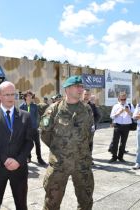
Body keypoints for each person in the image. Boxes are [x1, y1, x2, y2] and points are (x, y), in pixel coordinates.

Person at [40, 75, 94, 210]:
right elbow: (45, 134)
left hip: (82, 164)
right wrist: (59, 150)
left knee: (86, 202)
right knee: (51, 203)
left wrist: (80, 149)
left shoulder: (87, 109)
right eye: (77, 86)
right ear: (67, 89)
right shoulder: (54, 109)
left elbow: (90, 134)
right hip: (59, 165)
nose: (81, 89)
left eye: (81, 86)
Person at [0, 81, 33, 210]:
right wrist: (4, 159)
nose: (10, 98)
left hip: (19, 169)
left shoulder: (25, 116)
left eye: (13, 94)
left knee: (21, 205)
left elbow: (29, 142)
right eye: (7, 94)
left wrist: (19, 161)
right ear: (0, 96)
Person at [20, 91, 46, 165]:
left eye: (31, 96)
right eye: (28, 96)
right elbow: (20, 117)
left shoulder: (34, 106)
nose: (30, 97)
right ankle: (28, 157)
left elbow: (37, 116)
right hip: (26, 129)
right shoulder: (22, 106)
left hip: (34, 128)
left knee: (37, 143)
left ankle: (39, 158)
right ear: (25, 97)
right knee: (28, 143)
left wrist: (37, 125)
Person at [109, 92, 134, 163]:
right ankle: (114, 157)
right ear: (119, 98)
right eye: (122, 99)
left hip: (126, 126)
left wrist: (128, 111)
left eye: (124, 99)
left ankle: (121, 157)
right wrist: (118, 113)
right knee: (115, 142)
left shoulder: (130, 105)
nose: (123, 100)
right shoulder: (116, 106)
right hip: (118, 125)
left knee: (123, 142)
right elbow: (112, 116)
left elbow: (134, 116)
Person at [83, 89, 102, 161]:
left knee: (89, 144)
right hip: (79, 129)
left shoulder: (92, 105)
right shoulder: (78, 104)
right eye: (85, 94)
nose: (86, 96)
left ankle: (89, 158)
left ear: (90, 96)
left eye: (88, 94)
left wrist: (93, 124)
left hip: (90, 130)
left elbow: (99, 116)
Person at [132, 103, 140, 169]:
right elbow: (134, 116)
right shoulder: (139, 105)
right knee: (139, 146)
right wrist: (137, 116)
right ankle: (138, 162)